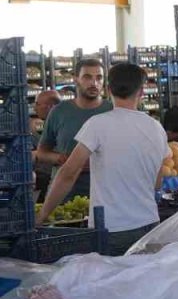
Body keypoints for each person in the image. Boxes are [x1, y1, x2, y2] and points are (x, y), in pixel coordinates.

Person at [36, 63, 167, 255]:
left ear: (108, 90)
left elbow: (68, 174)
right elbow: (157, 182)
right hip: (150, 223)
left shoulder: (98, 124)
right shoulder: (156, 127)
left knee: (112, 282)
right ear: (141, 92)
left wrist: (42, 216)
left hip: (113, 229)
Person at [34, 60, 112, 200]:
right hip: (65, 193)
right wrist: (62, 159)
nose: (94, 83)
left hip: (106, 191)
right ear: (76, 79)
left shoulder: (112, 111)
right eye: (87, 77)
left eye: (99, 77)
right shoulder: (59, 112)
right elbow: (42, 152)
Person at [29, 90, 61, 203]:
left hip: (55, 174)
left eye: (37, 104)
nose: (34, 108)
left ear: (51, 106)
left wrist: (35, 155)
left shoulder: (60, 124)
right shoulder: (49, 123)